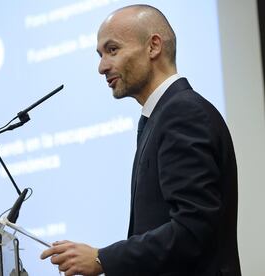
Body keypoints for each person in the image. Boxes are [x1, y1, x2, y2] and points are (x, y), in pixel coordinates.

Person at [40, 4, 241, 276]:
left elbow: (192, 229)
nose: (101, 67)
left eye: (112, 50)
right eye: (100, 55)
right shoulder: (159, 116)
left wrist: (103, 259)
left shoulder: (183, 112)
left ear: (153, 46)